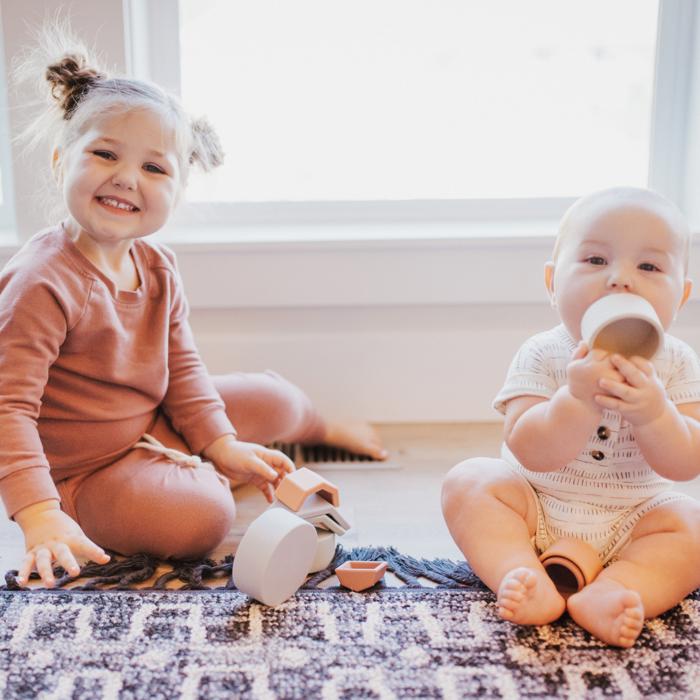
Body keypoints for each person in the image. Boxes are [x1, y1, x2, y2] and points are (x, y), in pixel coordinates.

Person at [1, 34, 386, 589]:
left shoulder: (157, 265)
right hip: (83, 471)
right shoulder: (40, 282)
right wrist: (38, 511)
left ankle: (315, 428)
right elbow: (7, 410)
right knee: (203, 517)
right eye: (105, 154)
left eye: (154, 168)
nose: (127, 177)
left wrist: (220, 442)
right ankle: (173, 485)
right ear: (62, 162)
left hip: (152, 423)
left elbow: (183, 370)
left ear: (177, 193)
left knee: (272, 399)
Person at [442, 187, 700, 647]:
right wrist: (576, 399)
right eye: (596, 261)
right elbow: (528, 449)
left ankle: (617, 589)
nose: (621, 279)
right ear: (552, 282)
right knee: (470, 481)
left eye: (649, 266)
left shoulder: (677, 363)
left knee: (692, 528)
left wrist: (656, 413)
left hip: (634, 519)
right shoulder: (543, 353)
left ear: (679, 297)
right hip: (535, 506)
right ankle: (519, 571)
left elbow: (685, 464)